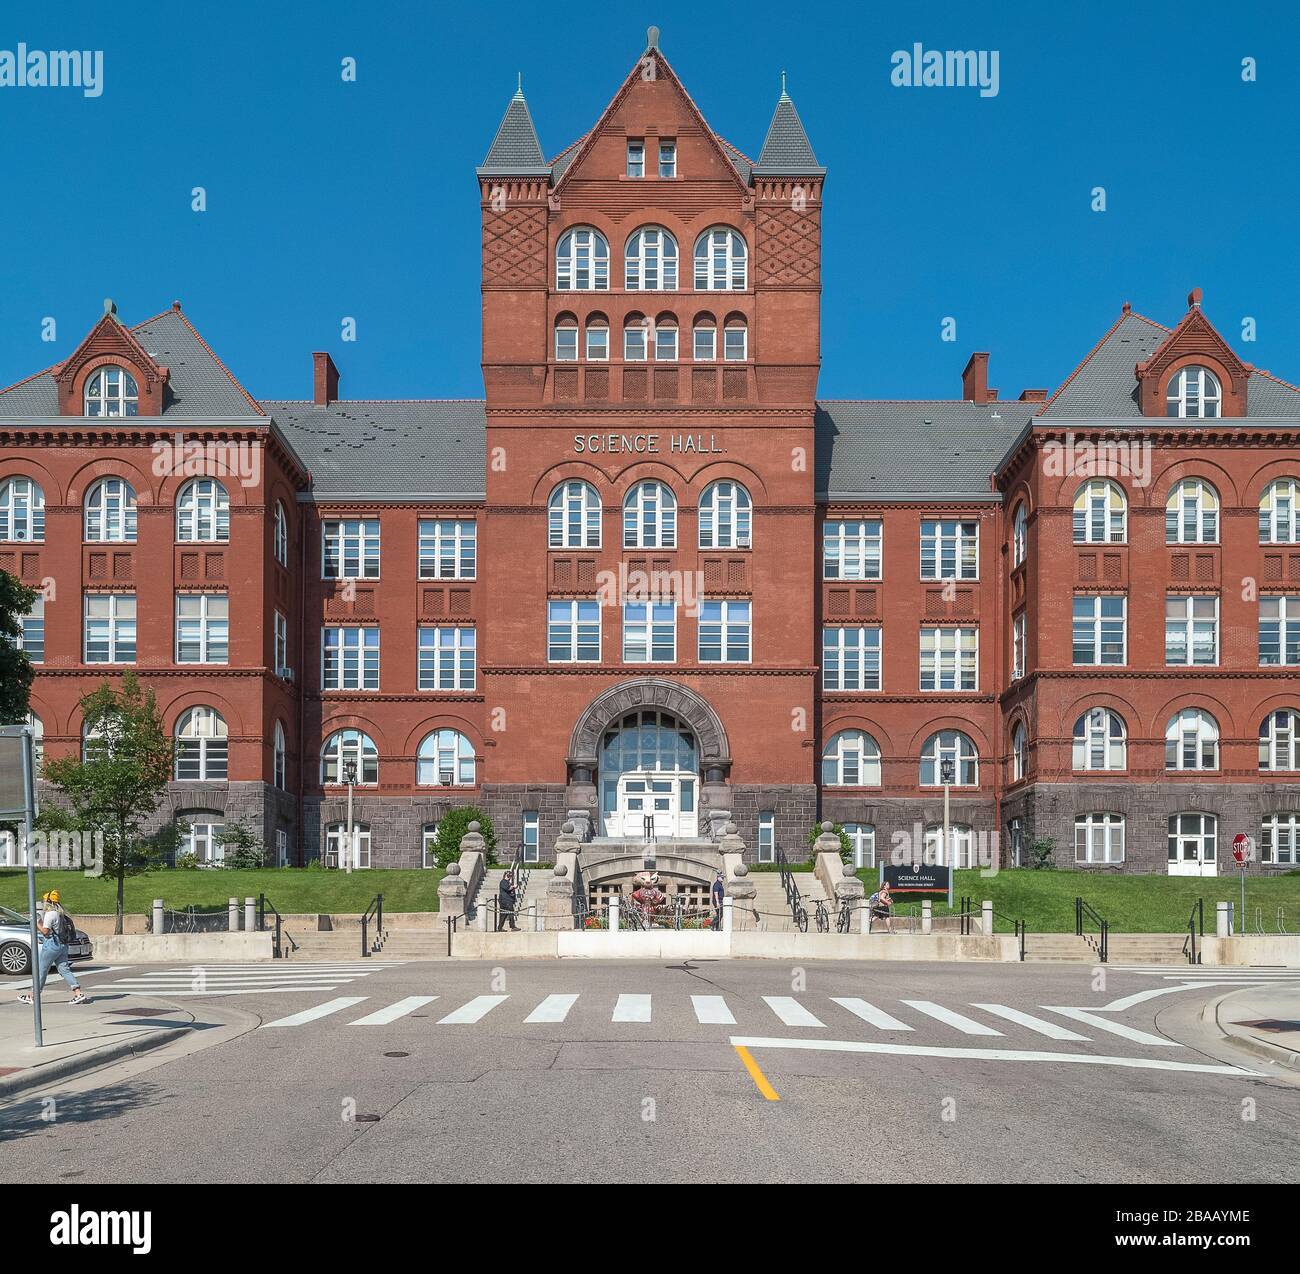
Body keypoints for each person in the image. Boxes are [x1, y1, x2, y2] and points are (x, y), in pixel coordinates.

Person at [17, 890, 86, 1005]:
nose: (43, 903)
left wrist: (36, 922)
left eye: (44, 900)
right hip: (63, 945)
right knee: (64, 969)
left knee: (41, 970)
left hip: (52, 944)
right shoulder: (61, 913)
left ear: (49, 901)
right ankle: (78, 993)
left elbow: (45, 932)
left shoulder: (50, 914)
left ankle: (32, 996)